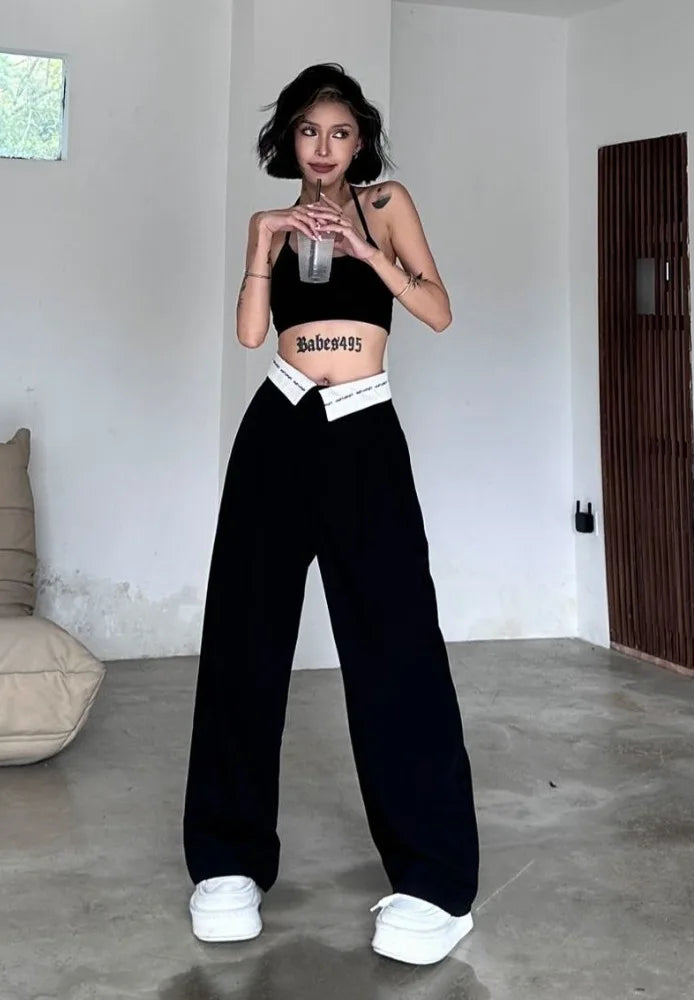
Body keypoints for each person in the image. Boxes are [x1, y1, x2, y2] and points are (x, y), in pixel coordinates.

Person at [183, 63, 479, 967]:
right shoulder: (275, 221)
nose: (324, 147)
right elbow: (250, 334)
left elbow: (437, 309)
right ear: (290, 140)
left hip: (363, 429)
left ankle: (434, 883)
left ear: (360, 141)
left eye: (340, 132)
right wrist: (262, 240)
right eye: (309, 132)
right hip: (279, 422)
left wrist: (362, 250)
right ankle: (226, 862)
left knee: (397, 645)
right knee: (243, 640)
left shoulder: (386, 205)